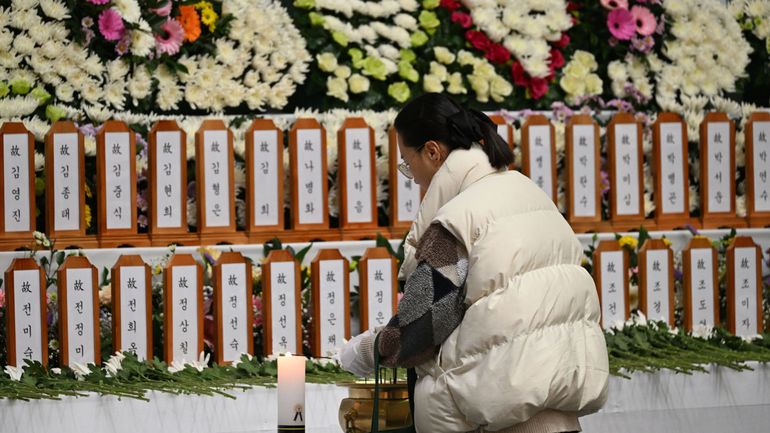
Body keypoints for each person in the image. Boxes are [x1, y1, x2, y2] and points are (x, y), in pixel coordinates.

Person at [340, 93, 609, 433]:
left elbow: (421, 328)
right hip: (559, 417)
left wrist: (367, 350)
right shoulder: (531, 195)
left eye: (408, 164)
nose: (415, 179)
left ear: (433, 152)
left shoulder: (460, 219)